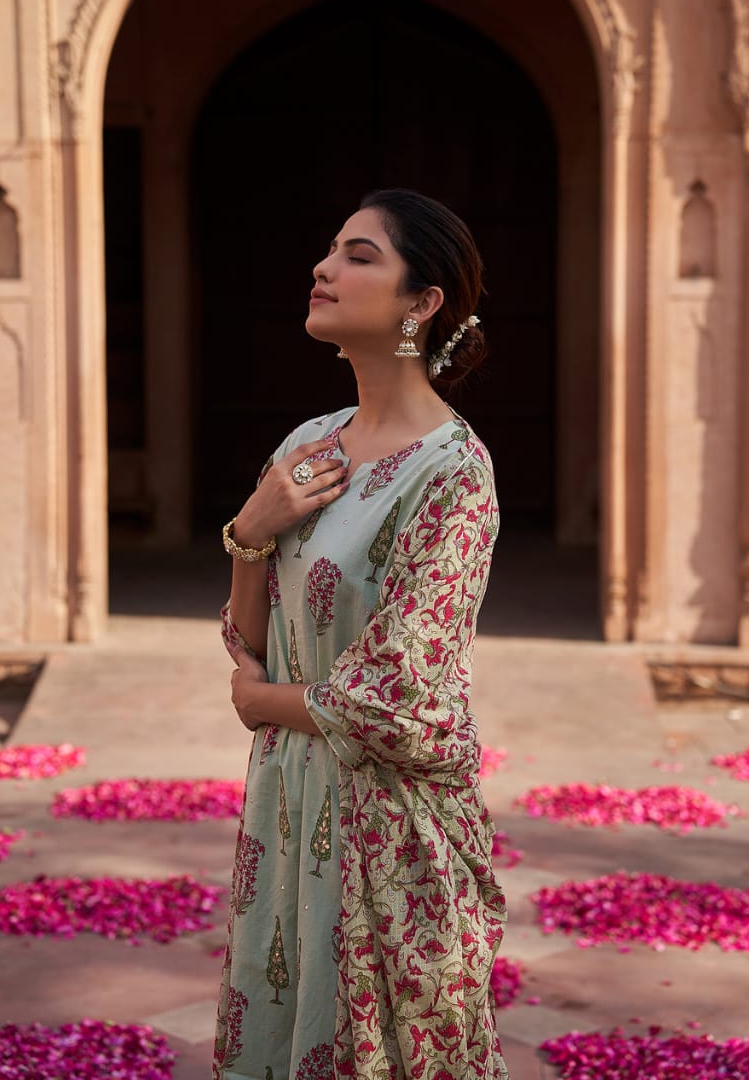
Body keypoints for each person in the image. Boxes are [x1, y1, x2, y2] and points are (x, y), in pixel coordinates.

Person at [214, 188, 509, 1080]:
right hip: (288, 803)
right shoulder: (309, 446)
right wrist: (250, 529)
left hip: (390, 825)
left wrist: (262, 702)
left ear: (422, 303)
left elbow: (402, 697)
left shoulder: (454, 473)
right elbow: (248, 638)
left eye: (358, 254)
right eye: (331, 249)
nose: (324, 267)